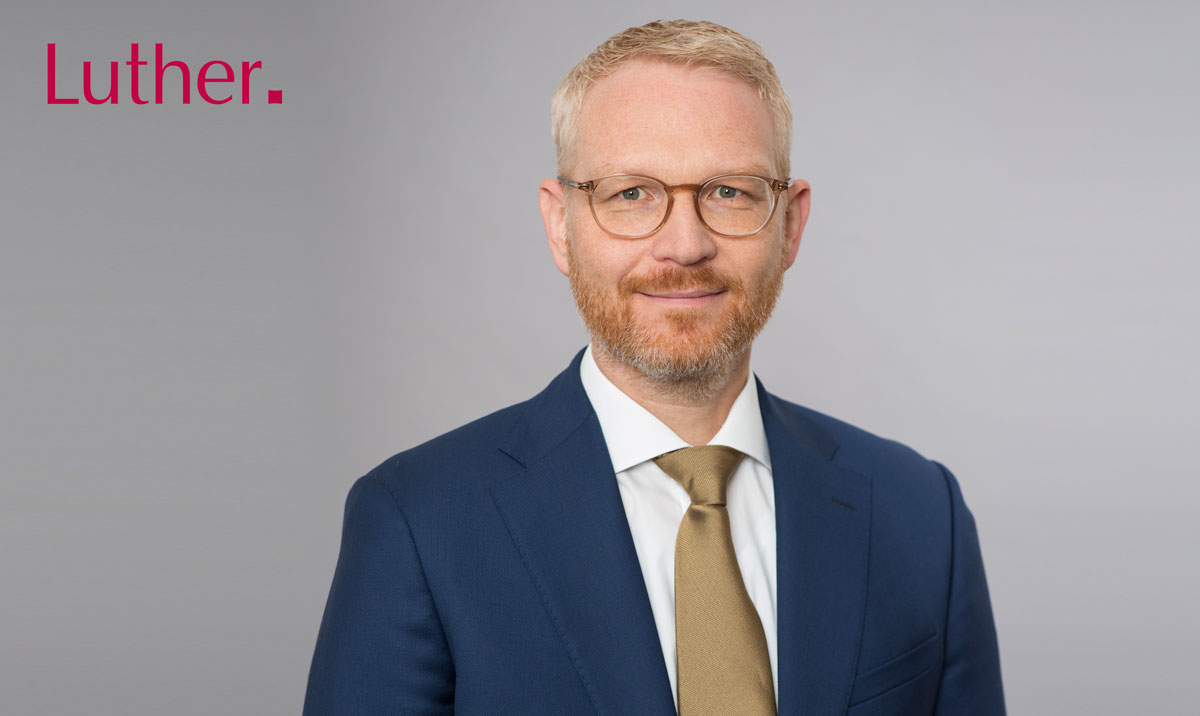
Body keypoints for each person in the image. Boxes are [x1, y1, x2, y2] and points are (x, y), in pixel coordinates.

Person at [302, 19, 1004, 716]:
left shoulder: (921, 515)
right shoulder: (420, 520)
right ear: (560, 226)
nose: (685, 244)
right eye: (631, 193)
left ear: (789, 224)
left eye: (730, 191)